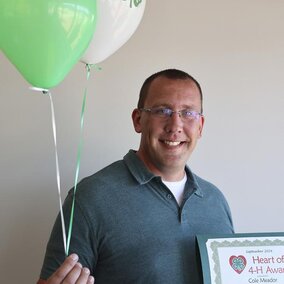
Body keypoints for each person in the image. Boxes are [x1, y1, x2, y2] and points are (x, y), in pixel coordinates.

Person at [38, 69, 234, 284]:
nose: (175, 126)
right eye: (163, 110)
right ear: (138, 120)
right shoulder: (89, 199)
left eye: (188, 113)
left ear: (200, 126)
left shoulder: (215, 201)